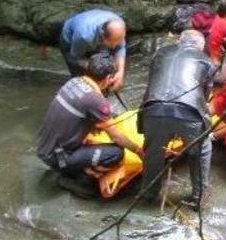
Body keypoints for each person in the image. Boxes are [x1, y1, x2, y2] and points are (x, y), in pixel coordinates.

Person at [35, 53, 144, 193]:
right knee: (116, 153)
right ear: (108, 78)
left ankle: (80, 166)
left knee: (95, 135)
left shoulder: (73, 82)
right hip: (58, 158)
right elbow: (117, 137)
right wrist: (139, 151)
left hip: (45, 148)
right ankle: (81, 177)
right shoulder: (96, 100)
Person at [139, 30, 214, 208]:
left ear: (179, 41)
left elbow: (151, 84)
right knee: (201, 148)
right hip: (189, 111)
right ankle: (200, 197)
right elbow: (206, 94)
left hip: (154, 108)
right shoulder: (205, 59)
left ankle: (148, 195)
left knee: (153, 153)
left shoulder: (160, 53)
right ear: (200, 46)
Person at [59, 9, 127, 91]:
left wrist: (120, 72)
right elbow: (76, 58)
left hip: (93, 24)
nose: (114, 47)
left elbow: (120, 48)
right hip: (70, 39)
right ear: (102, 36)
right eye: (112, 44)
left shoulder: (118, 26)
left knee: (105, 68)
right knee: (80, 76)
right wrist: (93, 69)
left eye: (117, 42)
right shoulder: (83, 37)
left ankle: (103, 89)